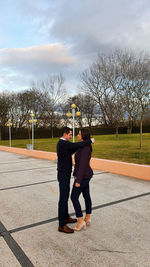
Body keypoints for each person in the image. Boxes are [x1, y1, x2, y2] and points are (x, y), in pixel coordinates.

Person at [57, 127, 94, 234]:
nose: (72, 136)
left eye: (76, 134)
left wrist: (85, 143)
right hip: (63, 175)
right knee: (64, 198)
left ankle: (66, 217)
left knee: (72, 196)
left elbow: (76, 148)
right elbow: (75, 146)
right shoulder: (62, 143)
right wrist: (90, 141)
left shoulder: (72, 145)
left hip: (73, 175)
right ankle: (61, 224)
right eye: (70, 134)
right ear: (65, 134)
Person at [71, 129, 93, 231]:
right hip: (86, 175)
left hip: (83, 176)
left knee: (74, 197)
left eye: (79, 134)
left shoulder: (85, 148)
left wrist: (78, 181)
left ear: (83, 136)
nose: (77, 135)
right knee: (86, 195)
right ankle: (87, 217)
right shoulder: (84, 146)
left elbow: (83, 166)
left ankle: (80, 221)